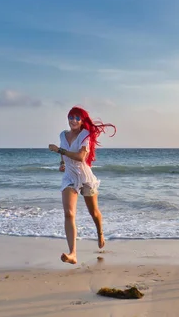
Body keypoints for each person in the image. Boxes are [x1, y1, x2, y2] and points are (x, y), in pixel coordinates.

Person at [48, 106, 116, 264]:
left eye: (78, 118)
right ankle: (73, 253)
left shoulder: (85, 134)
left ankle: (100, 232)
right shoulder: (62, 135)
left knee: (94, 212)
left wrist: (59, 151)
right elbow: (64, 153)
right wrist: (62, 163)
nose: (73, 120)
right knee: (69, 213)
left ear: (82, 121)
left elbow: (80, 157)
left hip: (85, 177)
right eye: (71, 117)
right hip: (69, 178)